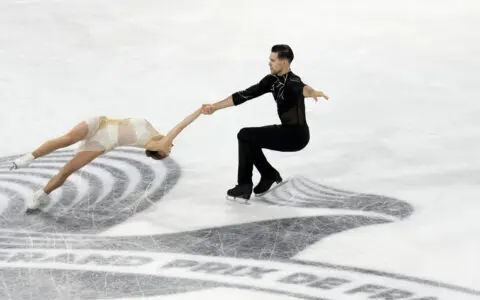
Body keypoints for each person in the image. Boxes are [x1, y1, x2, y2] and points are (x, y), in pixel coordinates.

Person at [202, 44, 329, 201]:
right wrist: (215, 107)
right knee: (248, 138)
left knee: (245, 135)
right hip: (285, 131)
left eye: (273, 60)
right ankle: (268, 175)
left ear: (283, 62)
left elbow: (303, 89)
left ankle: (245, 185)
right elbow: (244, 95)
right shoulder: (271, 81)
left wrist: (313, 92)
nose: (269, 63)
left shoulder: (293, 82)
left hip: (297, 136)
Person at [11, 107, 203, 210]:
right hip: (99, 123)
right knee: (66, 139)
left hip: (103, 142)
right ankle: (27, 158)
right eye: (170, 149)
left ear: (160, 152)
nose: (171, 147)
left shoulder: (158, 144)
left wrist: (199, 111)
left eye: (168, 151)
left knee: (67, 170)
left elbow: (181, 126)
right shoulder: (156, 134)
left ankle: (41, 194)